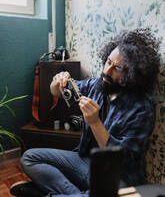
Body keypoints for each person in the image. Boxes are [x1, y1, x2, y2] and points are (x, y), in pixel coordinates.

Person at [10, 28, 161, 197]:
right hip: (82, 161)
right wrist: (58, 80)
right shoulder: (97, 85)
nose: (107, 70)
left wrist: (95, 123)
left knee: (118, 193)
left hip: (117, 175)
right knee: (29, 157)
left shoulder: (142, 109)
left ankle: (49, 194)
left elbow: (122, 158)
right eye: (108, 61)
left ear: (133, 74)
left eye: (117, 68)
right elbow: (56, 91)